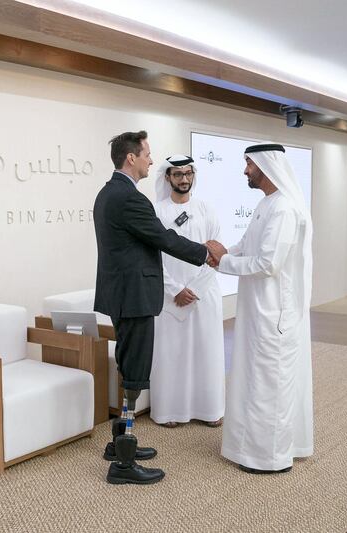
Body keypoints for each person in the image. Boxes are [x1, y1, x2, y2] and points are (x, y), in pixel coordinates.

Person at [93, 131, 213, 485]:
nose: (150, 159)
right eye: (146, 153)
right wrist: (204, 252)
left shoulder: (110, 192)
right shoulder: (128, 197)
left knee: (130, 366)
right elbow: (161, 237)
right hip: (133, 296)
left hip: (124, 293)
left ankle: (119, 444)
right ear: (130, 157)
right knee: (134, 373)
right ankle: (124, 464)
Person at [205, 143, 313, 474]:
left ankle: (271, 458)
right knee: (256, 380)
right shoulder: (268, 204)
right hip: (258, 311)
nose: (245, 170)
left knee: (271, 384)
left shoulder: (283, 209)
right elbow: (248, 246)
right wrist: (223, 252)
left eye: (249, 164)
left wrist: (223, 262)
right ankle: (252, 448)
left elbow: (268, 263)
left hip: (273, 314)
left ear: (266, 166)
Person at [150, 155, 225, 429]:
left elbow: (216, 253)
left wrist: (194, 288)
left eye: (188, 173)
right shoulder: (156, 211)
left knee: (207, 352)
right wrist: (175, 290)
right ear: (167, 177)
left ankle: (210, 410)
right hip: (171, 297)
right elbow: (152, 257)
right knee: (172, 354)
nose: (184, 179)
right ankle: (171, 411)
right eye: (177, 174)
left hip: (204, 294)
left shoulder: (206, 209)